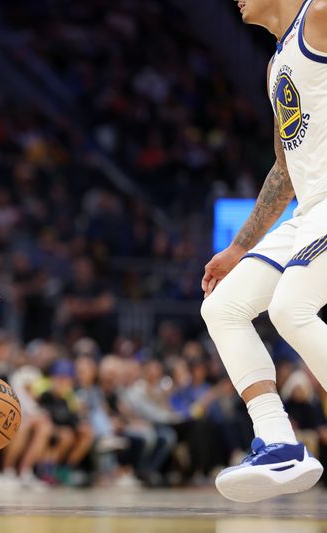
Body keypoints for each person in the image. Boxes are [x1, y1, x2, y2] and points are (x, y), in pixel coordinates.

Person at [200, 0, 327, 502]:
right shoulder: (277, 63)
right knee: (224, 307)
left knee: (290, 309)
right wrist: (238, 247)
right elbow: (284, 169)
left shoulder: (318, 16)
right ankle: (278, 442)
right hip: (309, 209)